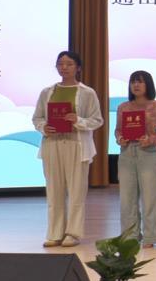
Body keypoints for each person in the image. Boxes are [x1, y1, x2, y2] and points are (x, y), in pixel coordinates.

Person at [32, 51, 104, 248]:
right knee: (54, 190)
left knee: (76, 191)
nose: (64, 67)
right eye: (60, 64)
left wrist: (77, 120)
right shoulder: (47, 92)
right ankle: (55, 233)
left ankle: (73, 233)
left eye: (69, 64)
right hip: (52, 144)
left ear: (78, 68)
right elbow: (37, 118)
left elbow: (97, 120)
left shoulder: (87, 92)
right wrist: (43, 127)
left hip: (77, 145)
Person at [114, 71, 156, 248]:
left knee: (150, 198)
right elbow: (118, 130)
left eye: (140, 82)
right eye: (133, 82)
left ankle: (150, 236)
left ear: (148, 84)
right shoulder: (123, 107)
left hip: (149, 153)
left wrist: (152, 139)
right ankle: (130, 235)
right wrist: (119, 138)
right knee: (127, 198)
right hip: (127, 153)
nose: (136, 85)